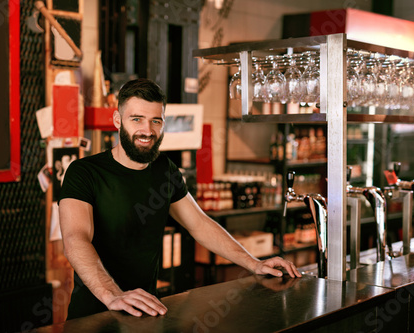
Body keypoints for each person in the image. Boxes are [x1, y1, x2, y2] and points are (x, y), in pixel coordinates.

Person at [58, 78, 301, 320]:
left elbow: (199, 223)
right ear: (117, 121)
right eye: (136, 119)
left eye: (156, 121)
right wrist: (113, 294)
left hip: (145, 310)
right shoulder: (84, 172)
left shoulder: (166, 170)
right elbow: (75, 238)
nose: (147, 130)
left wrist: (253, 263)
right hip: (95, 314)